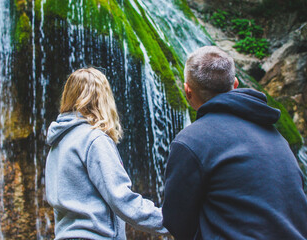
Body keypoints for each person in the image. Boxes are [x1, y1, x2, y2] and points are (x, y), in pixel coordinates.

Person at [162, 46, 307, 240]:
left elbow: (176, 222)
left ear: (187, 91)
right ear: (235, 84)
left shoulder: (190, 141)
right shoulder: (275, 136)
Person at [45, 67, 169, 240]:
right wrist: (170, 221)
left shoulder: (57, 142)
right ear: (103, 99)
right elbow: (122, 199)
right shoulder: (94, 140)